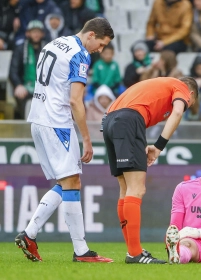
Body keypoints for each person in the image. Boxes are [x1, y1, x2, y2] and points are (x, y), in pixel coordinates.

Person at [15, 17, 114, 263]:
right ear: (91, 35)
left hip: (37, 119)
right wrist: (87, 139)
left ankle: (30, 233)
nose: (100, 50)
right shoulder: (80, 55)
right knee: (72, 181)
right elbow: (75, 101)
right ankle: (81, 251)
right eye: (100, 44)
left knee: (67, 181)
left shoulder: (55, 43)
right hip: (57, 123)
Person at [102, 76, 198, 264]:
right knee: (137, 189)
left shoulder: (156, 86)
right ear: (191, 93)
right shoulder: (181, 87)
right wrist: (159, 146)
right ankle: (135, 254)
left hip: (109, 122)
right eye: (189, 103)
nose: (186, 104)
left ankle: (133, 250)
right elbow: (177, 113)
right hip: (129, 120)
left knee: (126, 189)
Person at [9, 20, 46, 119]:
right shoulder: (20, 49)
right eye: (34, 32)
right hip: (25, 87)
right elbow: (13, 71)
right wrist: (18, 85)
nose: (36, 34)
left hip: (44, 87)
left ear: (42, 34)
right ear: (27, 33)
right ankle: (27, 125)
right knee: (20, 95)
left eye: (38, 32)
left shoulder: (48, 49)